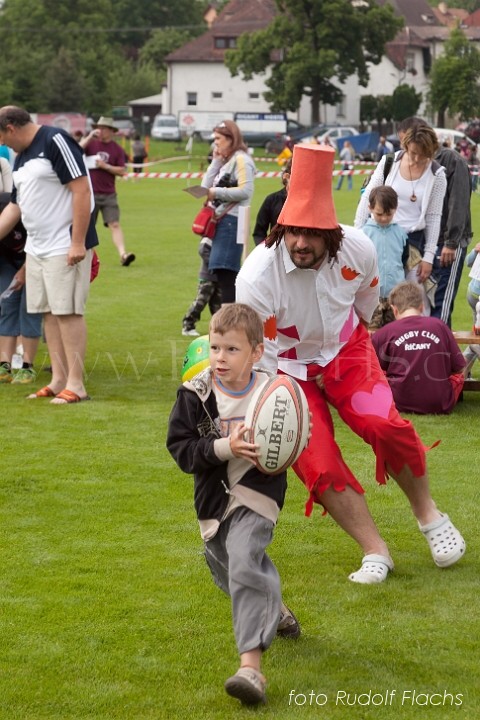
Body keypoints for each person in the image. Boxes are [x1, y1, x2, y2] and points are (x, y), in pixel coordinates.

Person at [236, 143, 465, 584]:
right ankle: (375, 550)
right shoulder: (255, 277)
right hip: (284, 370)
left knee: (384, 425)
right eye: (291, 231)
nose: (300, 242)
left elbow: (364, 305)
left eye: (311, 232)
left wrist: (348, 351)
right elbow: (258, 353)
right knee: (316, 462)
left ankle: (430, 516)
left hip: (347, 351)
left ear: (332, 232)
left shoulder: (359, 248)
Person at [166, 303, 300, 706]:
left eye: (232, 350)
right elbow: (181, 449)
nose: (220, 358)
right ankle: (273, 611)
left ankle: (251, 669)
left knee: (244, 559)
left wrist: (294, 442)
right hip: (212, 505)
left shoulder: (273, 391)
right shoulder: (196, 395)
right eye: (216, 348)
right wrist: (226, 445)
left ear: (256, 352)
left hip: (258, 494)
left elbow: (294, 436)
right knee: (230, 571)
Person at [0, 105, 98, 404]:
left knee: (67, 312)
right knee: (48, 314)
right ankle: (58, 380)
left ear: (11, 128)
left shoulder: (55, 140)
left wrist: (78, 242)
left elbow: (81, 190)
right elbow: (16, 206)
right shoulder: (20, 158)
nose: (2, 145)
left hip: (64, 245)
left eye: (1, 137)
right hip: (37, 248)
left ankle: (76, 384)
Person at [355, 124, 447, 316]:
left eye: (423, 155)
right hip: (378, 236)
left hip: (414, 242)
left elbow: (434, 217)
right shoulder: (389, 162)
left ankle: (415, 340)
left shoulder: (437, 175)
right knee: (374, 296)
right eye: (413, 152)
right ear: (406, 145)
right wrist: (358, 236)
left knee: (415, 301)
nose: (416, 159)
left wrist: (429, 257)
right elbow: (367, 198)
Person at [396, 117, 472, 327]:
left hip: (447, 245)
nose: (408, 152)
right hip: (422, 245)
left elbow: (458, 203)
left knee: (441, 305)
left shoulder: (452, 160)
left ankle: (442, 356)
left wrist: (451, 243)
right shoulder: (407, 163)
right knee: (422, 303)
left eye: (408, 143)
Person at [371, 281, 465, 414]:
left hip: (397, 402)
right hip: (440, 403)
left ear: (394, 309)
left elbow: (372, 370)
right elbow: (459, 367)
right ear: (421, 307)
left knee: (375, 372)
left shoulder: (384, 333)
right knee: (460, 373)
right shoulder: (440, 326)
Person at [200, 120, 255, 303]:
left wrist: (215, 192)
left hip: (232, 221)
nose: (215, 142)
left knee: (226, 273)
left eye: (218, 138)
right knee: (220, 273)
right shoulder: (227, 161)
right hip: (222, 221)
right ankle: (228, 321)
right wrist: (215, 161)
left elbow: (246, 191)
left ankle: (230, 321)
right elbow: (204, 188)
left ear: (231, 139)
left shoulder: (241, 159)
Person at [80, 116, 135, 267]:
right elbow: (76, 150)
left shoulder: (117, 149)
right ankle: (83, 256)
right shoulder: (90, 144)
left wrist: (106, 167)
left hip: (109, 193)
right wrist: (90, 136)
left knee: (114, 224)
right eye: (98, 127)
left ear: (111, 131)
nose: (100, 130)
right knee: (86, 226)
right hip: (89, 193)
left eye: (104, 128)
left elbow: (122, 170)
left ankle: (123, 254)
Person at [0, 191, 42, 385]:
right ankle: (4, 366)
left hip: (36, 258)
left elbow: (40, 242)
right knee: (7, 304)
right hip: (8, 261)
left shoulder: (25, 210)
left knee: (30, 308)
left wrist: (25, 269)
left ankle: (27, 367)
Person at [362, 186, 408, 330]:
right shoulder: (363, 234)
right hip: (371, 298)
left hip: (396, 297)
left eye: (389, 214)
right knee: (371, 337)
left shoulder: (401, 234)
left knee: (396, 335)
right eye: (379, 213)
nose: (384, 218)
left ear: (395, 208)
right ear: (370, 208)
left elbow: (404, 260)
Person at [181, 237, 221, 336]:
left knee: (217, 305)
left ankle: (219, 328)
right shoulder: (210, 235)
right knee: (200, 302)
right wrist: (214, 264)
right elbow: (203, 249)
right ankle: (188, 326)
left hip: (220, 276)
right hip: (208, 276)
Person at [252, 159, 291, 245]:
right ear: (287, 177)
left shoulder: (312, 203)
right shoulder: (272, 200)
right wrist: (265, 250)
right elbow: (259, 232)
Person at [462, 242, 480, 375]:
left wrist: (475, 250)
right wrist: (475, 250)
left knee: (476, 337)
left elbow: (468, 261)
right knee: (476, 338)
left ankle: (463, 373)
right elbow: (468, 262)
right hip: (476, 297)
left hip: (473, 293)